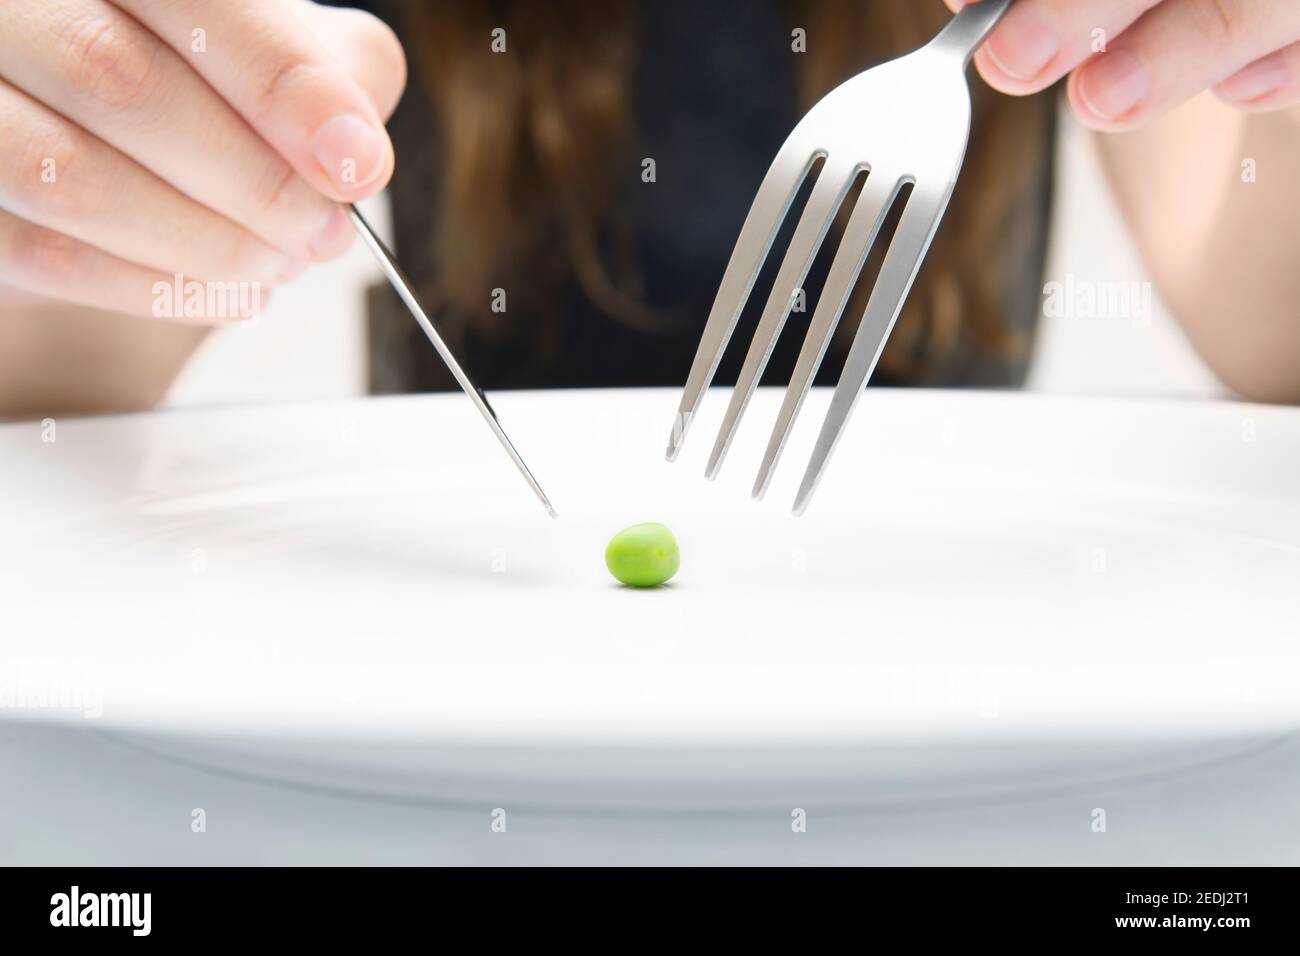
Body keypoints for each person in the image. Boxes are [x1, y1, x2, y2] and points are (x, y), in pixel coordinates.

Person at [1, 0, 1298, 420]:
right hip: (458, 713)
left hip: (939, 704)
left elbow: (1269, 330)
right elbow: (59, 376)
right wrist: (69, 142)